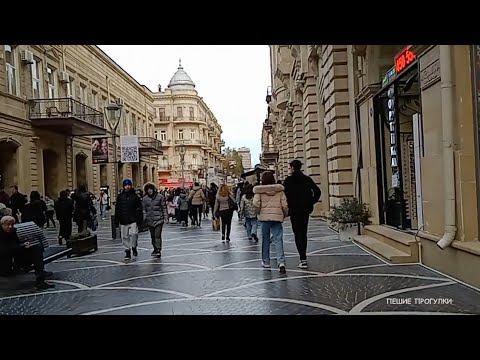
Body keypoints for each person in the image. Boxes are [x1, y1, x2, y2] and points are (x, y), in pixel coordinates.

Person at [283, 159, 321, 269]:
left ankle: (302, 257)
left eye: (290, 167)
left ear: (293, 168)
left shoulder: (288, 181)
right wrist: (311, 201)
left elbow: (284, 196)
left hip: (294, 211)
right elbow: (317, 191)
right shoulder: (307, 179)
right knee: (303, 233)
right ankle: (303, 257)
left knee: (297, 233)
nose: (289, 169)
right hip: (305, 210)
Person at [0, 215, 54, 290]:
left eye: (12, 224)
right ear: (2, 225)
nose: (10, 227)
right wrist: (21, 246)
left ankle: (40, 280)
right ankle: (40, 279)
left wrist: (24, 245)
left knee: (36, 249)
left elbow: (15, 246)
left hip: (15, 258)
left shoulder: (13, 232)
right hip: (5, 263)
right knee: (34, 252)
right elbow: (4, 250)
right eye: (8, 225)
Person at [253, 171, 288, 273]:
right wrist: (284, 214)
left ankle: (266, 261)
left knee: (265, 240)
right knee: (278, 239)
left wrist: (259, 212)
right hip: (277, 217)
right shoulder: (279, 191)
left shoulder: (259, 191)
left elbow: (256, 203)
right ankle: (281, 262)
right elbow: (285, 204)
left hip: (264, 218)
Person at [114, 179, 143, 260]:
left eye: (129, 185)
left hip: (133, 219)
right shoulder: (120, 197)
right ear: (124, 186)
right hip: (123, 220)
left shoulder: (135, 196)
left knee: (134, 234)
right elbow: (118, 209)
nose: (127, 187)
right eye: (126, 185)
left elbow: (139, 208)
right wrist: (116, 220)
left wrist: (139, 219)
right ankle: (127, 251)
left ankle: (134, 246)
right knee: (125, 237)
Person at [142, 183, 168, 258]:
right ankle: (155, 248)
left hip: (158, 220)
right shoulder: (145, 199)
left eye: (151, 189)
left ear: (153, 189)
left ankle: (158, 250)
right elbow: (144, 209)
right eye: (148, 189)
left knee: (157, 235)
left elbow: (164, 208)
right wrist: (144, 217)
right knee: (152, 236)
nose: (150, 191)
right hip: (150, 220)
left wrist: (166, 217)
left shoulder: (160, 197)